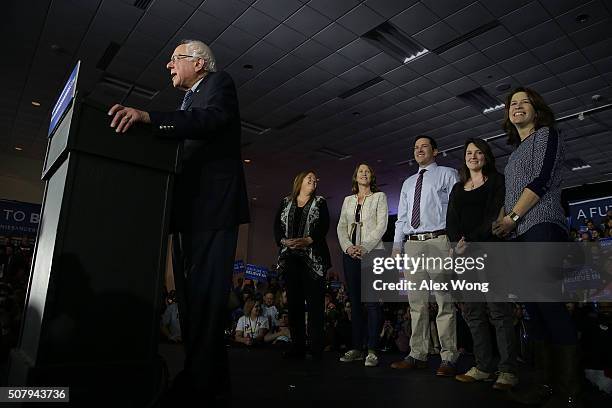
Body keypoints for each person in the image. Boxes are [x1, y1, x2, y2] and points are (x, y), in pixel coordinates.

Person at [108, 39, 249, 404]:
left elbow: (210, 120)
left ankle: (202, 383)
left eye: (175, 59)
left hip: (212, 211)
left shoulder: (220, 84)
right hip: (187, 214)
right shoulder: (186, 101)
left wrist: (150, 117)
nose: (168, 65)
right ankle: (205, 380)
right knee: (189, 302)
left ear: (200, 63)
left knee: (206, 300)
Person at [492, 87, 581, 406]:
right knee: (532, 308)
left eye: (523, 102)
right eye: (512, 104)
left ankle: (571, 391)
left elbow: (541, 181)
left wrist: (513, 216)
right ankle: (544, 385)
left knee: (549, 305)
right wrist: (502, 217)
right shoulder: (514, 153)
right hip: (517, 233)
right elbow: (512, 192)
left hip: (542, 224)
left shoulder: (546, 135)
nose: (516, 107)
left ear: (536, 109)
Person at [446, 138, 519, 390]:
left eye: (478, 152)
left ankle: (508, 370)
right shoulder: (457, 189)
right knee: (474, 314)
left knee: (499, 312)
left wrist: (472, 240)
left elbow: (492, 215)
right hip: (464, 256)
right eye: (469, 152)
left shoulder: (497, 181)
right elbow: (451, 221)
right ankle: (483, 366)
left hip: (491, 252)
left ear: (486, 157)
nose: (473, 156)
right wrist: (457, 244)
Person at [390, 135, 460, 376]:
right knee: (416, 304)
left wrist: (453, 240)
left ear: (436, 151)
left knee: (444, 302)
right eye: (416, 147)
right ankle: (417, 354)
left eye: (424, 146)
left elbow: (455, 209)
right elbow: (401, 217)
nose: (419, 150)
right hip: (413, 244)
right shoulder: (408, 182)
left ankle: (449, 357)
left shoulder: (447, 174)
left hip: (439, 240)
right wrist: (397, 246)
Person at [274, 170, 331, 359]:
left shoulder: (320, 202)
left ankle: (316, 347)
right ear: (299, 182)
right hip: (290, 260)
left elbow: (324, 226)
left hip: (313, 260)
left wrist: (308, 239)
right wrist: (284, 241)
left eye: (315, 179)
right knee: (294, 304)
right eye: (310, 178)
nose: (314, 181)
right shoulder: (285, 202)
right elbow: (276, 227)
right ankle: (297, 346)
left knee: (315, 306)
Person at [337, 163, 388, 367]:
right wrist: (349, 247)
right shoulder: (347, 200)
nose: (364, 173)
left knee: (372, 302)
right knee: (355, 302)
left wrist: (364, 247)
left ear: (372, 176)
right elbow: (341, 226)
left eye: (367, 171)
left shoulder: (379, 197)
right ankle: (356, 348)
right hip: (350, 255)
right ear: (355, 177)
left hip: (372, 253)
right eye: (360, 171)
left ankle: (372, 349)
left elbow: (381, 225)